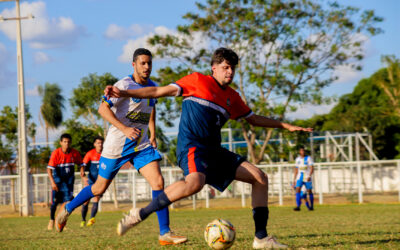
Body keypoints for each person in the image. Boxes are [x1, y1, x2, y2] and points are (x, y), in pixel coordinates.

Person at [104, 47, 313, 249]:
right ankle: (140, 214)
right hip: (192, 146)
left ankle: (261, 239)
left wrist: (284, 125)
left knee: (259, 177)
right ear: (214, 68)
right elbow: (158, 91)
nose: (230, 71)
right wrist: (123, 92)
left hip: (214, 151)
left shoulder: (233, 97)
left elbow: (253, 119)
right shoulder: (196, 80)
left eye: (233, 68)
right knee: (195, 182)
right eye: (226, 67)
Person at [56, 48, 187, 246]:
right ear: (133, 64)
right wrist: (125, 129)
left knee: (158, 182)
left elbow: (151, 111)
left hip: (141, 145)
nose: (146, 67)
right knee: (99, 188)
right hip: (116, 146)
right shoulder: (123, 85)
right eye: (142, 63)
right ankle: (67, 209)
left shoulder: (152, 87)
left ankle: (164, 233)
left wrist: (152, 133)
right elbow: (102, 109)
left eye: (149, 63)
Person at [47, 133, 82, 230]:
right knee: (54, 203)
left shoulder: (74, 153)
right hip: (57, 183)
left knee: (67, 202)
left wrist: (82, 170)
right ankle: (51, 220)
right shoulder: (56, 153)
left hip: (69, 183)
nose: (67, 144)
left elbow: (81, 163)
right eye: (65, 142)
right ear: (61, 143)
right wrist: (52, 182)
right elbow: (49, 169)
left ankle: (62, 222)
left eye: (68, 142)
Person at [79, 136, 104, 227]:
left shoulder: (106, 154)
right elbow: (83, 166)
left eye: (101, 143)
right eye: (98, 143)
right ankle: (83, 220)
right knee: (86, 201)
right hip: (90, 180)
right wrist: (83, 176)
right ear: (94, 144)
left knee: (96, 198)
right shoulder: (90, 154)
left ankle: (91, 218)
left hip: (100, 181)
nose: (100, 145)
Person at [292, 146, 314, 211]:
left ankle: (311, 206)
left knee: (309, 191)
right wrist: (294, 180)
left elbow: (312, 168)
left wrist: (309, 176)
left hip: (307, 177)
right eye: (301, 151)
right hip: (299, 177)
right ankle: (298, 206)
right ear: (299, 152)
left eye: (303, 151)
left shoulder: (308, 158)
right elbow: (296, 170)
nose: (302, 152)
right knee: (297, 190)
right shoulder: (297, 159)